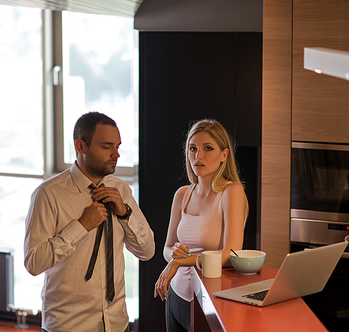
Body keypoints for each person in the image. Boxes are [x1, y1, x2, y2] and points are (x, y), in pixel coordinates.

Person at [24, 112, 155, 332]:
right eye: (107, 147)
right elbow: (34, 263)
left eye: (117, 146)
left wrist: (124, 213)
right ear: (81, 146)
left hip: (116, 322)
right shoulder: (48, 194)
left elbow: (147, 251)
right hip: (69, 325)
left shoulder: (121, 190)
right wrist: (81, 226)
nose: (116, 155)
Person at [154, 119, 248, 332]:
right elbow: (167, 249)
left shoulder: (231, 192)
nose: (199, 156)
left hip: (207, 299)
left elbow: (232, 253)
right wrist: (174, 256)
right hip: (175, 294)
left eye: (208, 148)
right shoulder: (182, 195)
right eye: (193, 149)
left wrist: (179, 262)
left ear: (224, 154)